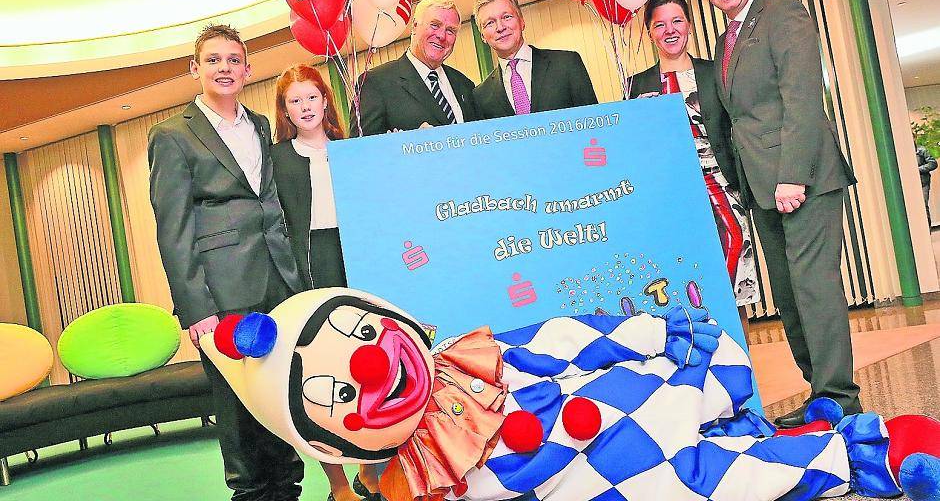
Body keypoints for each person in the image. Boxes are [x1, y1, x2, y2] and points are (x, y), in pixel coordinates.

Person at [203, 288, 940, 501]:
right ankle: (850, 456)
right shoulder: (407, 482)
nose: (370, 372)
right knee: (691, 484)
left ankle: (792, 439)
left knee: (688, 412)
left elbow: (560, 338)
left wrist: (655, 334)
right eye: (334, 389)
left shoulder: (468, 356)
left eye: (360, 340)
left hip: (625, 399)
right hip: (593, 482)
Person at [148, 24, 306, 501]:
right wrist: (196, 308)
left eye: (233, 60)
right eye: (213, 60)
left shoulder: (259, 124)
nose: (224, 68)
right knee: (239, 414)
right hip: (222, 292)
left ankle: (288, 489)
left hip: (279, 279)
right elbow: (172, 228)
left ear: (247, 69)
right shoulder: (172, 135)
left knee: (282, 396)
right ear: (195, 69)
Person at [698, 0, 861, 427]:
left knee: (815, 291)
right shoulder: (726, 39)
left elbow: (803, 99)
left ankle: (841, 402)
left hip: (801, 180)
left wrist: (792, 176)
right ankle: (820, 396)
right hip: (761, 187)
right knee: (789, 298)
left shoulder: (783, 14)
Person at [270, 63, 380, 501]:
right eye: (294, 101)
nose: (305, 106)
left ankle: (371, 471)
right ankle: (338, 485)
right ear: (285, 110)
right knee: (319, 376)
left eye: (311, 97)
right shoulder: (277, 159)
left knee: (372, 364)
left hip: (359, 260)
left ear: (325, 100)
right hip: (309, 269)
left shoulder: (351, 149)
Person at [630, 0, 758, 310]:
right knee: (686, 269)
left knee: (734, 266)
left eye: (677, 21)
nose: (670, 30)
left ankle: (740, 357)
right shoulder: (635, 85)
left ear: (689, 25)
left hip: (724, 188)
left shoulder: (716, 72)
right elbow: (635, 149)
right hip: (670, 196)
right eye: (659, 24)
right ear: (649, 31)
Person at [349, 0, 479, 137]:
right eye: (435, 25)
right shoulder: (375, 82)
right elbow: (362, 151)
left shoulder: (464, 84)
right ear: (415, 26)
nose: (442, 35)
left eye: (451, 30)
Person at [471, 0, 597, 119]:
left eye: (506, 17)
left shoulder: (567, 63)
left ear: (522, 21)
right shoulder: (481, 95)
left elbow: (594, 122)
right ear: (483, 36)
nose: (500, 27)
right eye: (490, 23)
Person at [916, 145, 936, 225]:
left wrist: (917, 169)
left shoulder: (922, 150)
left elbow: (933, 163)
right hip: (910, 184)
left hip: (923, 183)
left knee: (923, 206)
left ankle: (927, 229)